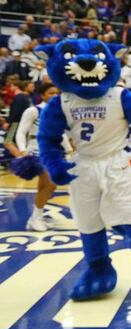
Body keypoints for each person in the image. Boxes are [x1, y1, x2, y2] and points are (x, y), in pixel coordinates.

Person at [7, 83, 67, 231]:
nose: (54, 96)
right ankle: (35, 218)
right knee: (50, 184)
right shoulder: (33, 110)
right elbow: (21, 132)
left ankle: (35, 218)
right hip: (36, 150)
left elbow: (61, 133)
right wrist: (22, 150)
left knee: (45, 186)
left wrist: (69, 149)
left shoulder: (58, 111)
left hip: (53, 150)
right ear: (42, 95)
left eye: (56, 93)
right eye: (51, 93)